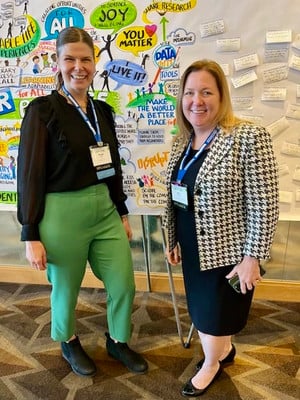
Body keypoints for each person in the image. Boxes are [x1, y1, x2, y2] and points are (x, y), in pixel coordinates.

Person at [17, 26, 148, 378]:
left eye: (86, 59)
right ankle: (68, 339)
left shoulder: (102, 111)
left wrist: (120, 209)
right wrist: (30, 233)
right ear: (57, 64)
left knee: (123, 281)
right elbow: (29, 173)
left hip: (104, 209)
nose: (79, 66)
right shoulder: (41, 111)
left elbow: (113, 164)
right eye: (70, 59)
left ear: (95, 62)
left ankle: (118, 341)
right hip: (62, 212)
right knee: (67, 287)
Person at [163, 59, 279, 397]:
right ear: (181, 99)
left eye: (206, 92)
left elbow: (265, 202)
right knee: (201, 309)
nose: (196, 101)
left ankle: (211, 363)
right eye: (189, 93)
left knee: (213, 316)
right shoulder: (183, 142)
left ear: (221, 96)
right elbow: (176, 198)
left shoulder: (247, 137)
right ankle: (223, 352)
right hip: (190, 246)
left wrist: (252, 257)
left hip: (227, 252)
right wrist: (172, 238)